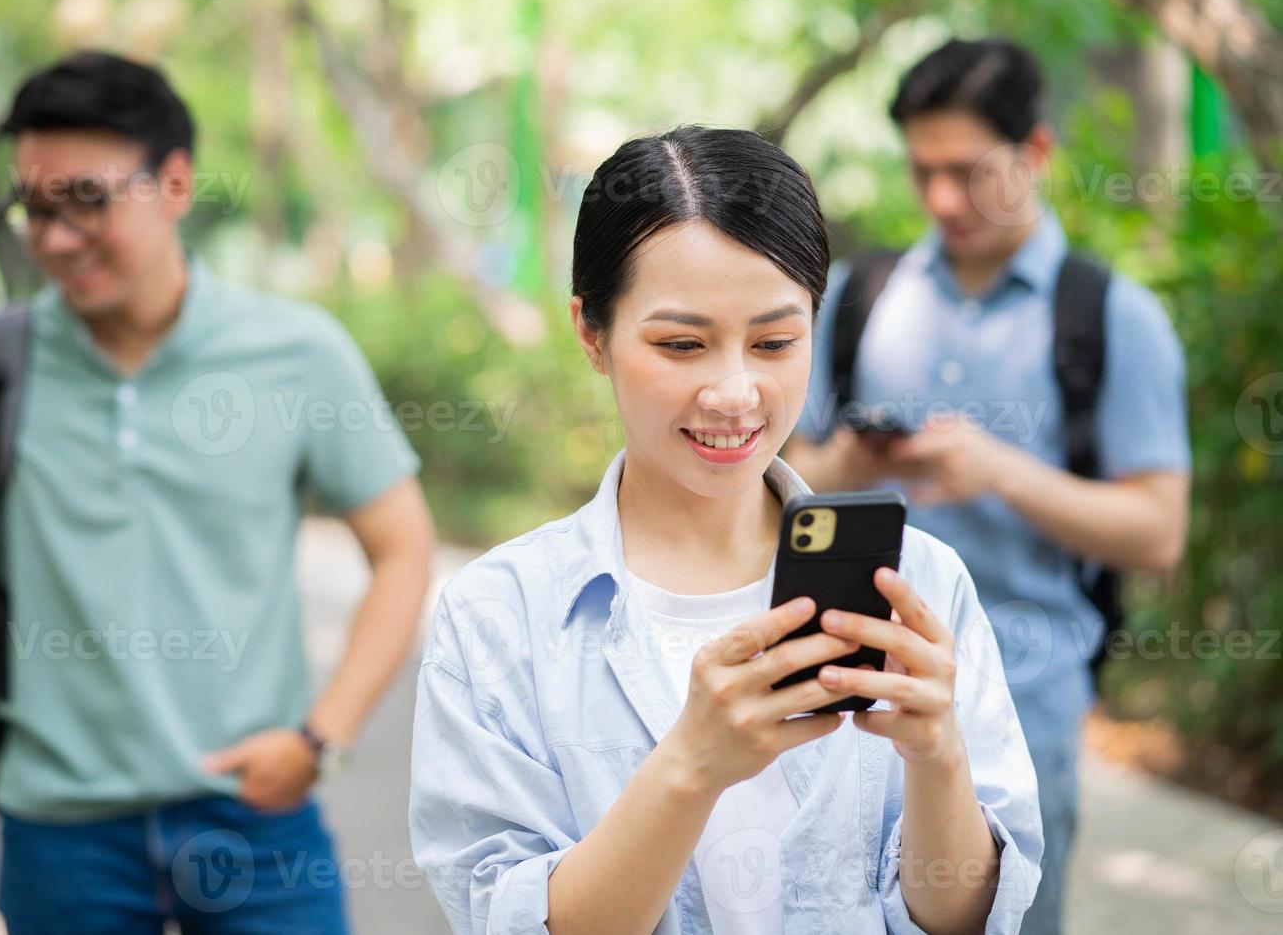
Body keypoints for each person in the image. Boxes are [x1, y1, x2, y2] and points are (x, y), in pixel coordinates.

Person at [409, 126, 1042, 933]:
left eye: (776, 342)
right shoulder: (498, 618)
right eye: (682, 344)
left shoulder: (922, 583)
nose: (736, 393)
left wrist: (938, 755)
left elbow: (962, 918)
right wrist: (690, 766)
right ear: (591, 333)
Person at [0, 51, 436, 933]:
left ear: (175, 183)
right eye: (34, 208)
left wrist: (321, 740)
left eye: (88, 200)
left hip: (256, 818)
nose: (56, 238)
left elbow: (404, 550)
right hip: (61, 832)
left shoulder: (298, 353)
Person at [782, 38, 1191, 934]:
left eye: (967, 171)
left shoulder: (1112, 317)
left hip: (1023, 710)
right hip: (848, 707)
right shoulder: (860, 294)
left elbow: (1157, 531)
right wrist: (854, 463)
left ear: (1035, 154)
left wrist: (1000, 471)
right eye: (922, 170)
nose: (940, 199)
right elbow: (778, 488)